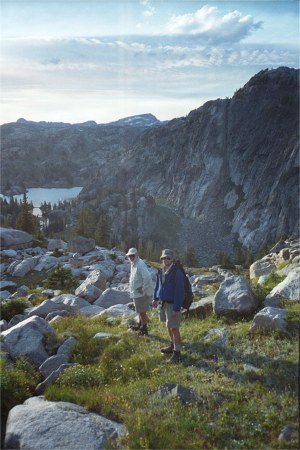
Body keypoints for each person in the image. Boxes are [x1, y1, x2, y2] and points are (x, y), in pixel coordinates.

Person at [152, 249, 184, 363]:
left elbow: (179, 291)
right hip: (163, 303)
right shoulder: (161, 271)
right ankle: (172, 345)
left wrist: (176, 308)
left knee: (174, 328)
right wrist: (155, 298)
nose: (165, 260)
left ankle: (177, 353)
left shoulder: (177, 272)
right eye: (163, 258)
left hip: (172, 304)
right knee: (168, 325)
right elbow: (157, 285)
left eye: (168, 258)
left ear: (172, 259)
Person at [127, 247, 153, 336]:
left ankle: (144, 328)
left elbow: (147, 277)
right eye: (129, 256)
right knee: (139, 310)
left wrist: (143, 288)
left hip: (140, 293)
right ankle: (140, 325)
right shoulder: (134, 263)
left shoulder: (140, 264)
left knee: (142, 311)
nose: (131, 257)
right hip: (136, 292)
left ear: (136, 255)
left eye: (132, 255)